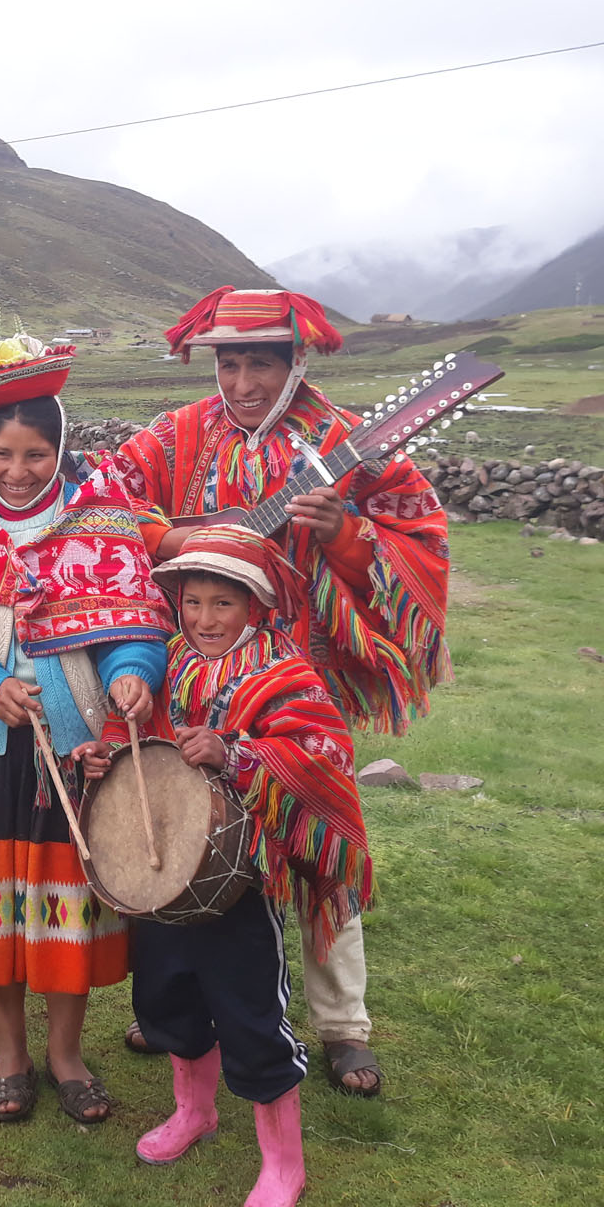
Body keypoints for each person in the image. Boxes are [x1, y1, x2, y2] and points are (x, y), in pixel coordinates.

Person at [108, 286, 449, 1096]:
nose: (244, 382)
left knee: (316, 837)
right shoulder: (178, 435)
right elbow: (109, 502)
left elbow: (421, 538)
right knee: (195, 834)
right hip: (197, 680)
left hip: (299, 685)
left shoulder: (342, 441)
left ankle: (342, 1024)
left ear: (296, 359)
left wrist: (346, 534)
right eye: (230, 363)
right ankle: (188, 1008)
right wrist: (181, 537)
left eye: (261, 362)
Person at [0, 335, 172, 1123]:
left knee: (67, 914)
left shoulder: (100, 519)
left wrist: (133, 671)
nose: (18, 470)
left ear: (61, 450)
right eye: (4, 454)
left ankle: (67, 1054)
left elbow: (134, 621)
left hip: (80, 748)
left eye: (36, 453)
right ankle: (10, 1057)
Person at [85, 524, 372, 1207]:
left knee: (249, 1016)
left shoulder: (284, 672)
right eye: (193, 602)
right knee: (166, 999)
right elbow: (134, 742)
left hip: (239, 883)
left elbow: (324, 755)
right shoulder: (169, 663)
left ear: (255, 607)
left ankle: (282, 1162)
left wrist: (237, 754)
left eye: (224, 605)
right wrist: (98, 759)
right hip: (162, 877)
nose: (205, 619)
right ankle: (195, 1111)